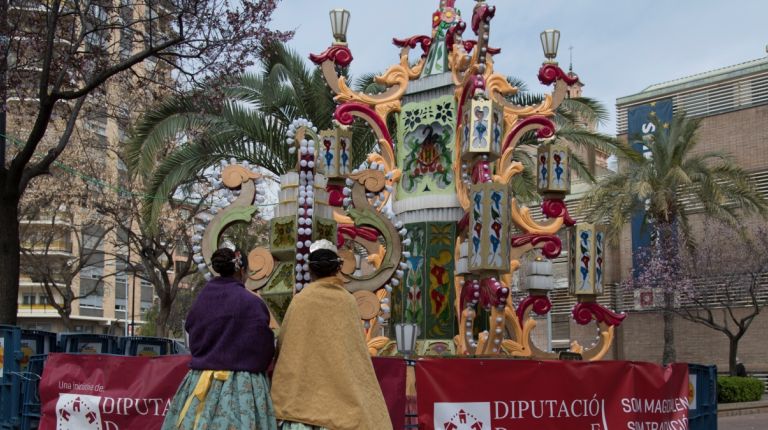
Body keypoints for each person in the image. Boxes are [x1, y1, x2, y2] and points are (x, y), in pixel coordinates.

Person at [271, 240, 392, 430]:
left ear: (310, 270)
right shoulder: (348, 302)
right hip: (345, 409)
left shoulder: (301, 301)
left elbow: (286, 347)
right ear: (337, 269)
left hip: (301, 408)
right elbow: (356, 353)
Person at [163, 248, 277, 430]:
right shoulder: (252, 303)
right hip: (243, 388)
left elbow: (192, 332)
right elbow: (264, 346)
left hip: (201, 382)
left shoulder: (201, 300)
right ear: (241, 270)